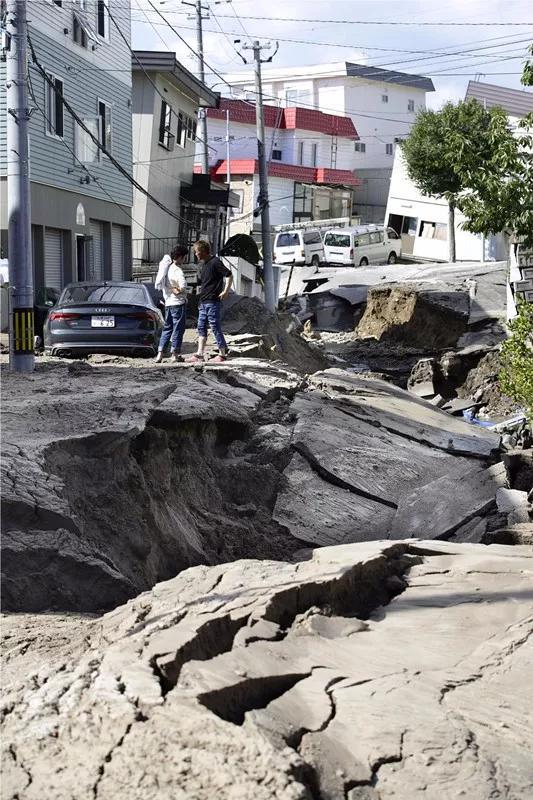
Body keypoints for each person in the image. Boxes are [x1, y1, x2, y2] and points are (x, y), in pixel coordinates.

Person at [187, 240, 233, 363]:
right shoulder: (203, 265)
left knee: (214, 326)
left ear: (202, 251)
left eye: (196, 252)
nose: (195, 254)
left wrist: (226, 291)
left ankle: (222, 354)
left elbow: (229, 274)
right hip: (203, 301)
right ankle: (199, 354)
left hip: (213, 301)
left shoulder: (215, 262)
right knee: (201, 327)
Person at [154, 245, 188, 363]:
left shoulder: (165, 269)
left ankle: (160, 354)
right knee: (178, 329)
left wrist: (170, 289)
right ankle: (175, 354)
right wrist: (177, 290)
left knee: (167, 328)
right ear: (179, 257)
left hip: (168, 304)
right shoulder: (177, 270)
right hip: (178, 303)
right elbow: (182, 286)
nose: (184, 260)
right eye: (184, 258)